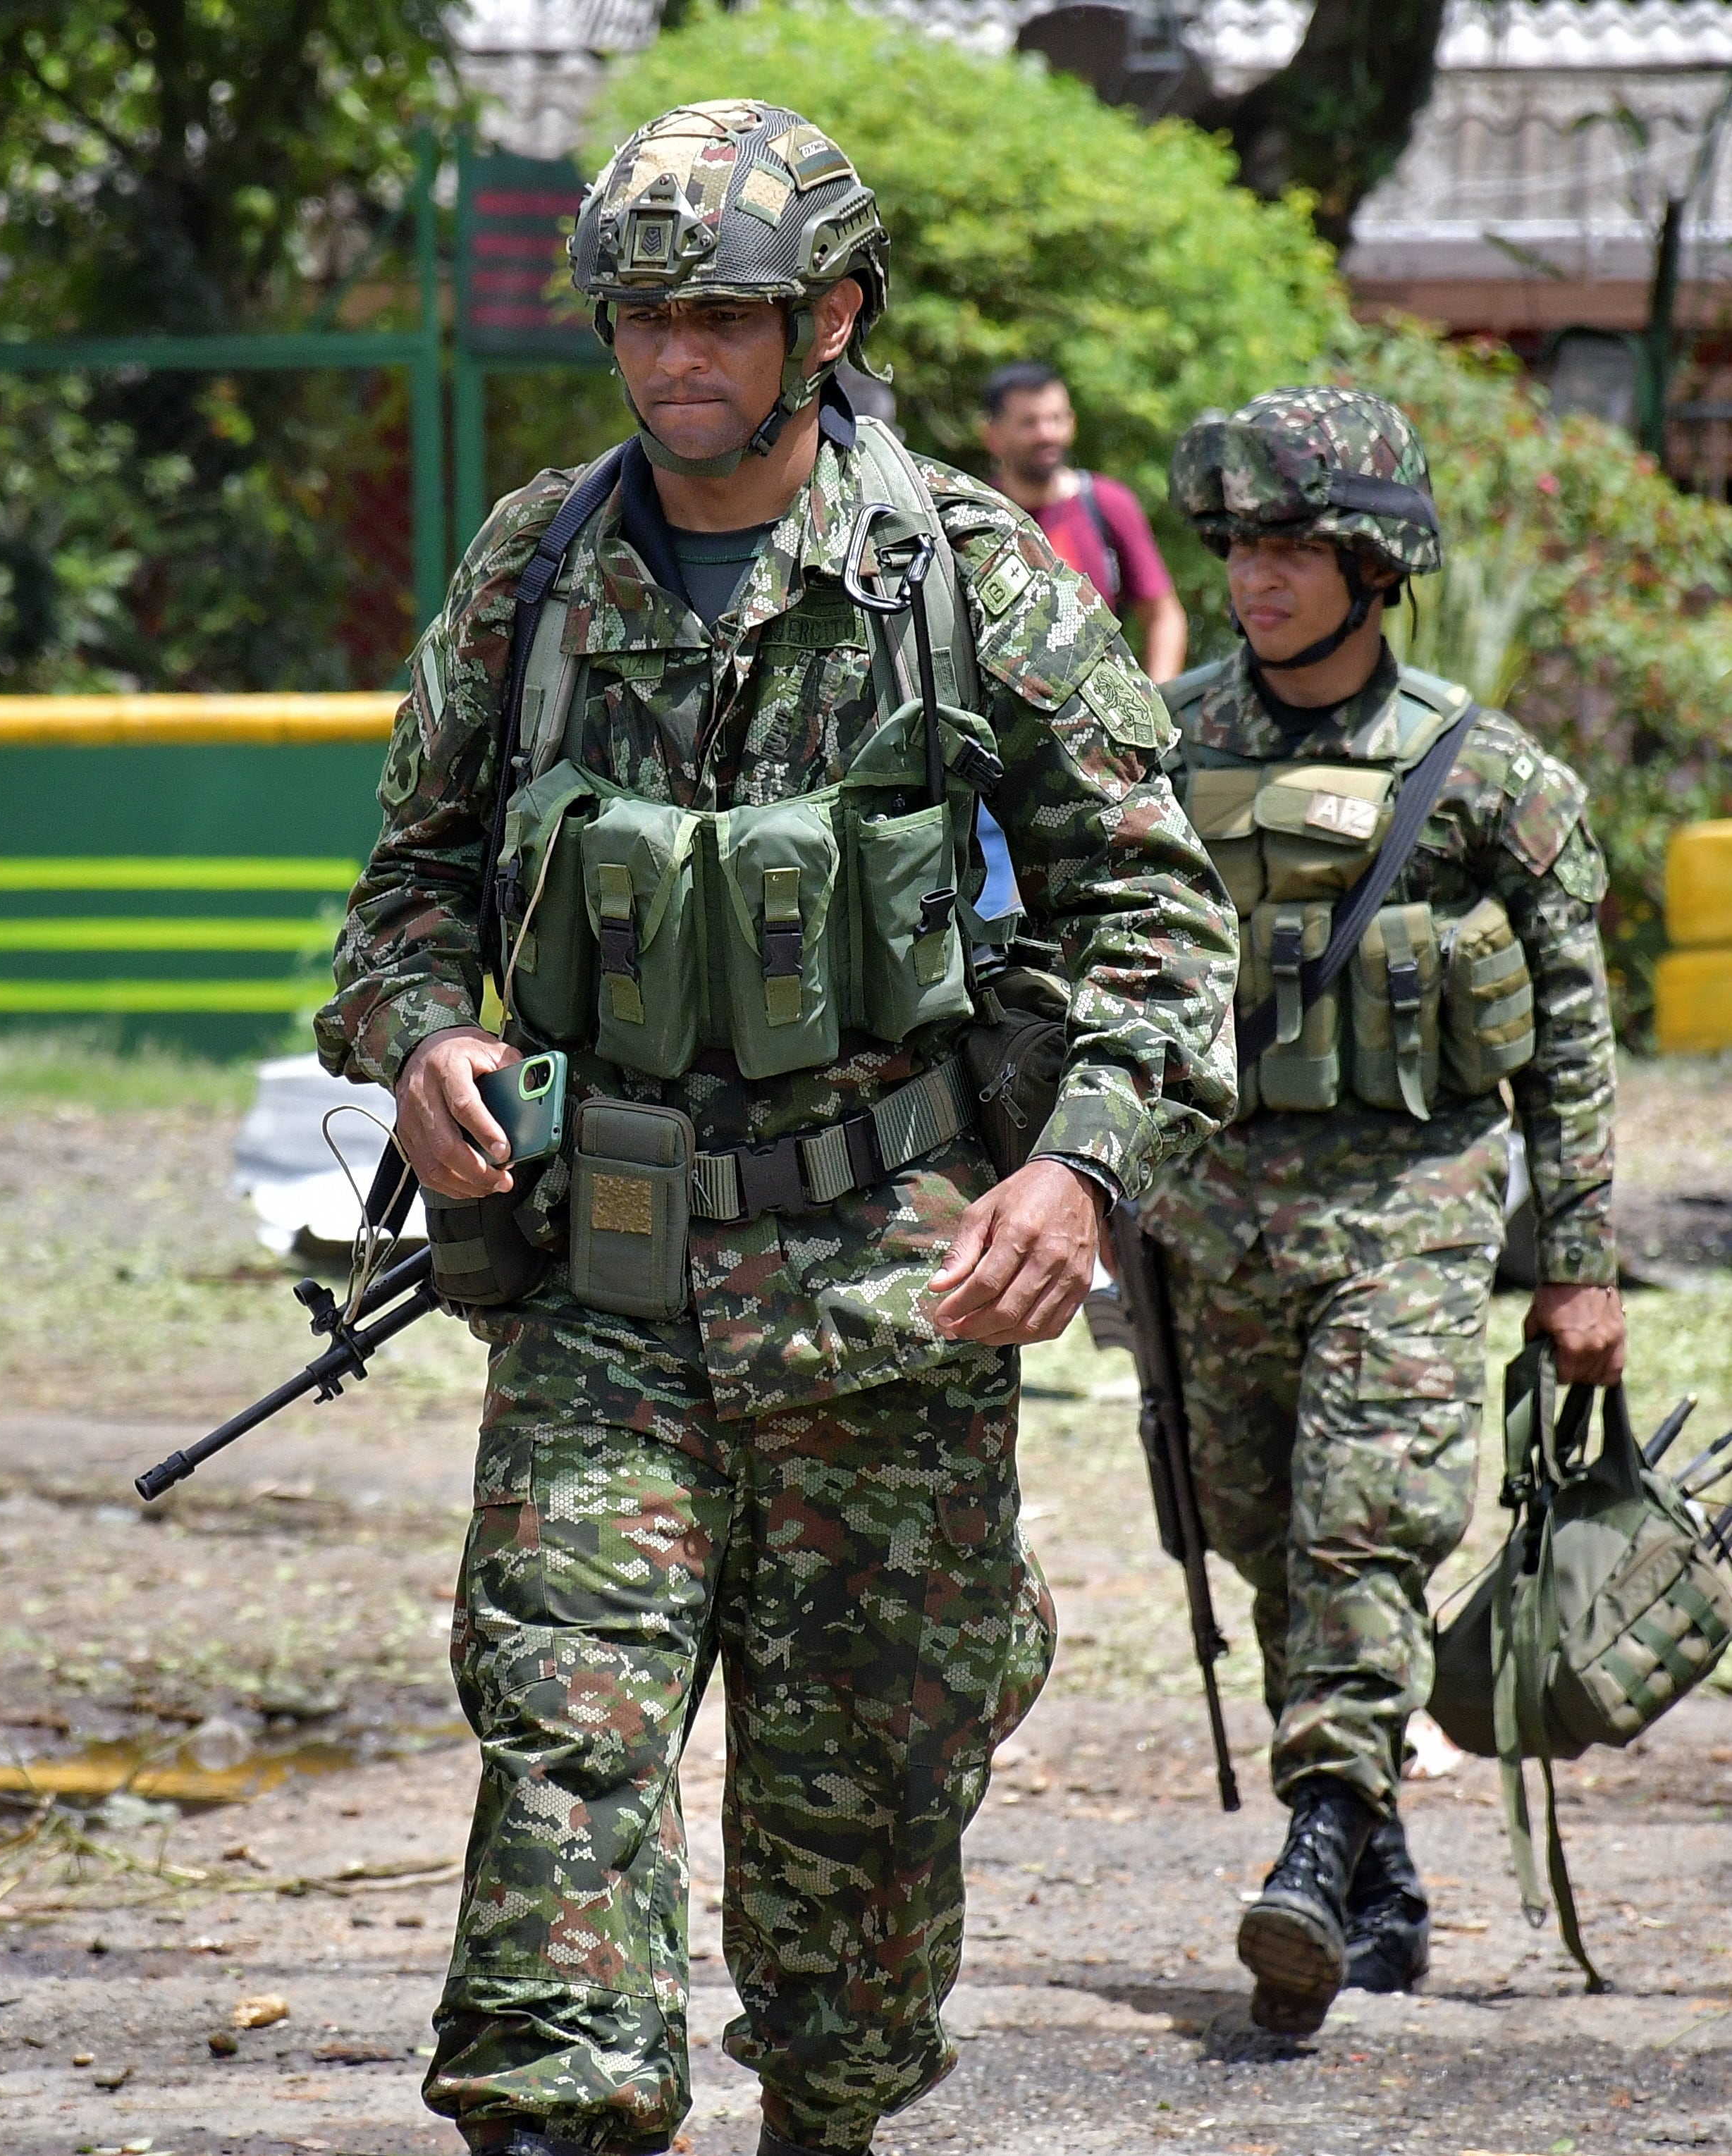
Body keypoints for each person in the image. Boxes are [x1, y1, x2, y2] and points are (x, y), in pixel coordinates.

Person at [319, 101, 1239, 2156]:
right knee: (561, 1763)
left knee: (856, 1913)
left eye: (723, 313)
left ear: (830, 314)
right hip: (601, 1297)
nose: (675, 359)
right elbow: (409, 886)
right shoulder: (533, 570)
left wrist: (1077, 1169)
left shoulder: (970, 576)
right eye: (641, 315)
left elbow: (1164, 921)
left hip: (883, 1312)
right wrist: (417, 1036)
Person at [1150, 387, 1620, 2035]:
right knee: (1267, 1541)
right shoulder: (1167, 750)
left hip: (1408, 1208)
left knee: (1365, 1522)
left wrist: (1578, 1263)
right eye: (1239, 545)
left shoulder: (1482, 777)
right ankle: (1383, 1884)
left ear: (1373, 563)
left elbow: (1568, 1026)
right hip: (1205, 1222)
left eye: (1293, 545)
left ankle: (1316, 1836)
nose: (1257, 577)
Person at [979, 360, 1187, 681]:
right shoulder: (977, 514)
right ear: (992, 436)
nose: (1046, 434)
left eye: (1056, 419)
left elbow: (1163, 616)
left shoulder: (1107, 504)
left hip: (1100, 714)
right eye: (1029, 423)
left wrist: (1158, 706)